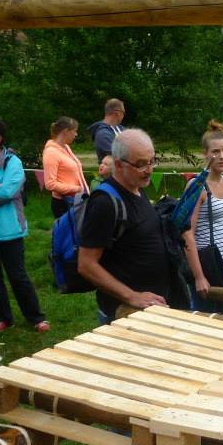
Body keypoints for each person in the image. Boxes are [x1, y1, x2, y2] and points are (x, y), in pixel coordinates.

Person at [78, 128, 179, 324]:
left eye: (152, 161)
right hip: (124, 314)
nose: (149, 169)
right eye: (140, 164)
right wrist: (131, 296)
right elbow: (86, 264)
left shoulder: (136, 188)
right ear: (118, 164)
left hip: (153, 308)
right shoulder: (104, 203)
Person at [0, 119, 49, 333]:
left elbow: (8, 191)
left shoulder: (12, 162)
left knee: (17, 276)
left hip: (9, 230)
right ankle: (4, 317)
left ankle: (36, 317)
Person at [183, 120, 223, 313]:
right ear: (205, 154)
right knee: (204, 317)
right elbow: (187, 233)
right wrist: (199, 276)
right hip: (207, 264)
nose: (222, 156)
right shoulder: (197, 186)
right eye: (216, 151)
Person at [42, 116, 88, 218]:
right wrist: (76, 189)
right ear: (66, 131)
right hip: (64, 203)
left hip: (76, 200)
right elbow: (50, 184)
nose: (76, 134)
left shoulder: (66, 147)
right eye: (74, 131)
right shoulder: (51, 152)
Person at [87, 98, 126, 162]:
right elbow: (119, 156)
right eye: (123, 112)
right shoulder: (102, 134)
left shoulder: (121, 128)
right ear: (117, 113)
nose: (123, 115)